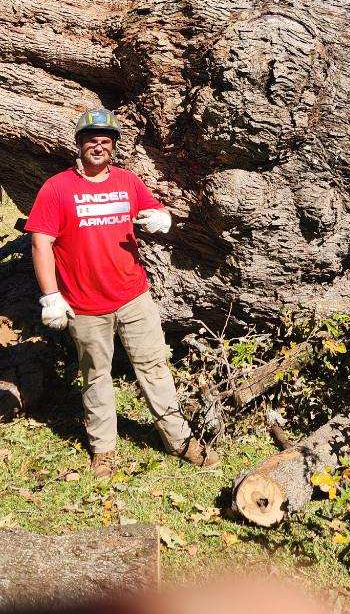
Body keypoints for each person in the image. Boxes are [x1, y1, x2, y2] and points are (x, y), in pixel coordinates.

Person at [25, 107, 218, 477]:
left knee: (155, 368)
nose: (99, 146)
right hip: (84, 304)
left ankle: (179, 440)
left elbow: (152, 209)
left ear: (113, 146)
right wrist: (50, 295)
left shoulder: (128, 182)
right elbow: (41, 243)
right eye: (91, 139)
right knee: (96, 376)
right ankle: (104, 450)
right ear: (79, 144)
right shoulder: (57, 188)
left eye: (106, 140)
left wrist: (163, 217)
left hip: (133, 297)